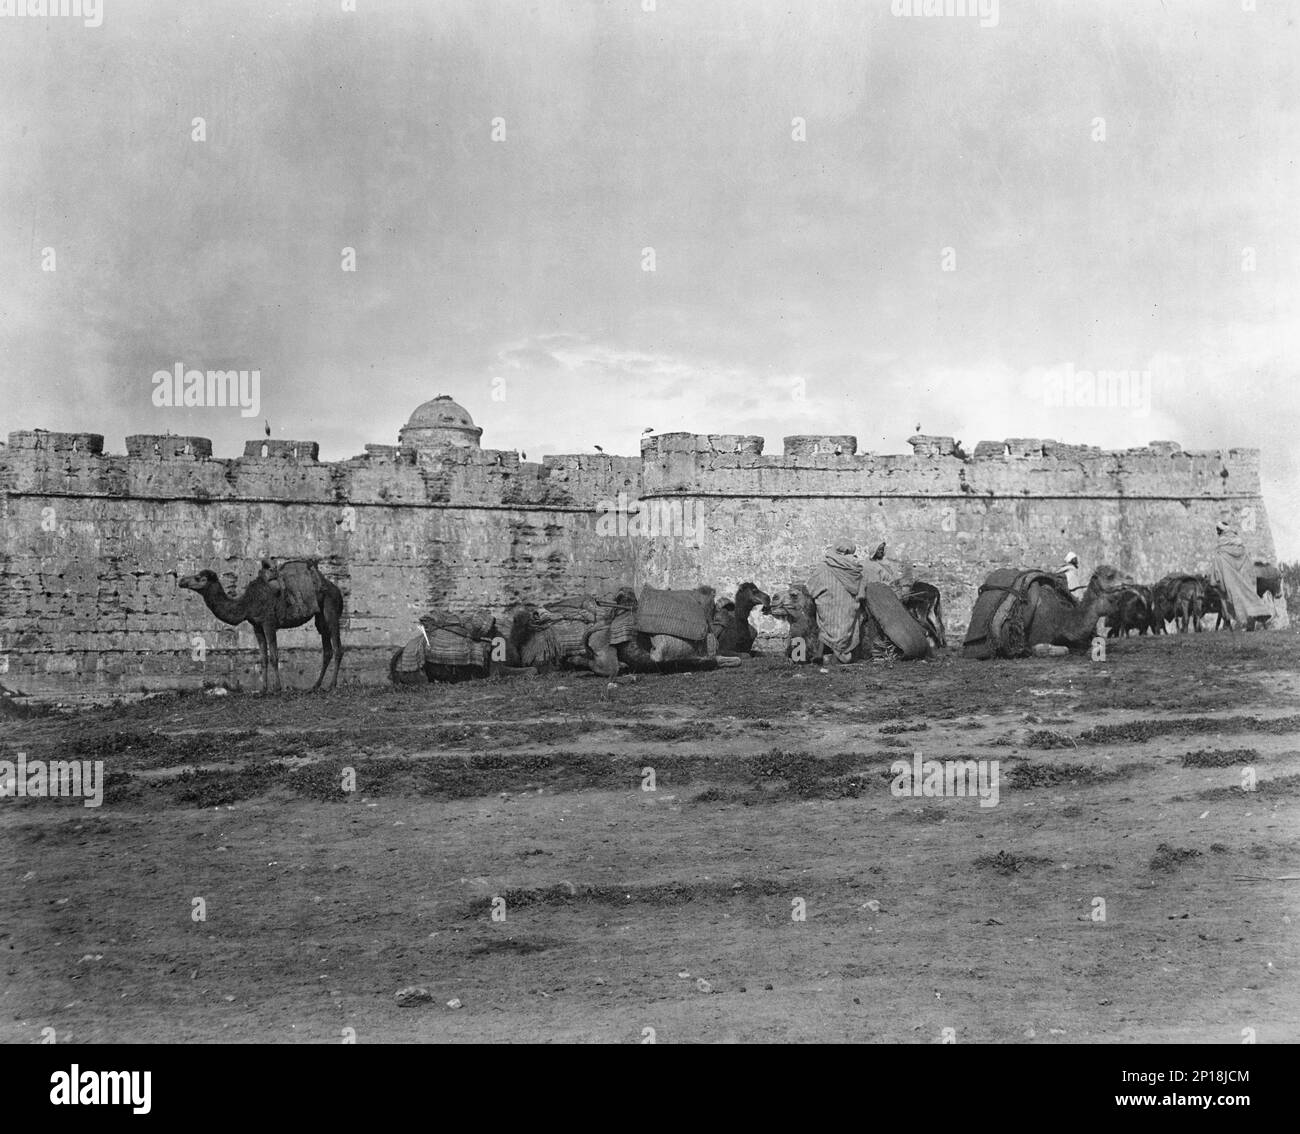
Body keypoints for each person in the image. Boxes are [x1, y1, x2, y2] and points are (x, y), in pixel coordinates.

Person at [805, 538, 865, 665]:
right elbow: (860, 591)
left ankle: (820, 654)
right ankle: (841, 653)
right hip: (848, 608)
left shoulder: (824, 566)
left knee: (825, 623)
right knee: (846, 624)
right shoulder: (855, 568)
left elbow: (811, 587)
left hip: (828, 604)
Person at [1207, 514, 1271, 629]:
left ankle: (1231, 623)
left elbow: (1218, 563)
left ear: (1221, 531)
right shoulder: (1239, 542)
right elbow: (1247, 561)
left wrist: (1216, 577)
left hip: (1229, 578)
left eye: (1218, 531)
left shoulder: (1221, 545)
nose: (1217, 533)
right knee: (1247, 596)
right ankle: (1252, 620)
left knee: (1229, 597)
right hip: (1243, 575)